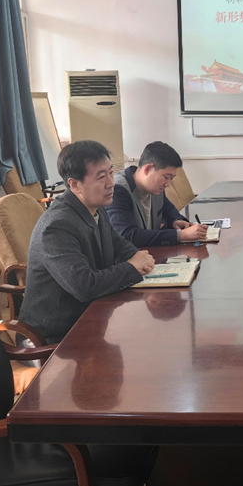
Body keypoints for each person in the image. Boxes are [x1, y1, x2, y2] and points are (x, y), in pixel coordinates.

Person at [18, 141, 156, 344]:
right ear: (74, 184)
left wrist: (137, 256)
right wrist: (132, 267)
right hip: (52, 337)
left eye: (111, 173)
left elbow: (118, 243)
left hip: (89, 318)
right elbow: (84, 286)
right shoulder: (57, 226)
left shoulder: (95, 207)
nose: (111, 183)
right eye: (101, 177)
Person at [107, 141, 207, 247]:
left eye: (171, 178)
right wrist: (181, 235)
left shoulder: (155, 189)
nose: (168, 184)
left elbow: (169, 210)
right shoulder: (118, 190)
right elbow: (128, 235)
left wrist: (176, 221)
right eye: (166, 177)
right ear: (148, 169)